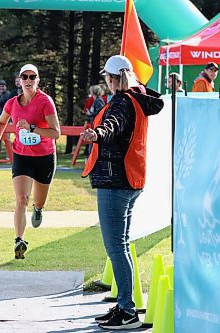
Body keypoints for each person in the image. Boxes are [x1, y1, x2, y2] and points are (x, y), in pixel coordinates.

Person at [81, 55, 163, 330]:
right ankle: (124, 305)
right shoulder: (136, 99)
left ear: (113, 78)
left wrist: (97, 134)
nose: (105, 80)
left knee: (116, 248)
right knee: (122, 246)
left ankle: (127, 311)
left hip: (116, 181)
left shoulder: (122, 101)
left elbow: (111, 126)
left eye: (107, 76)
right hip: (130, 179)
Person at [0, 64, 60, 259]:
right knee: (21, 198)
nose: (28, 80)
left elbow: (56, 133)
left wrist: (32, 128)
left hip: (44, 157)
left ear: (37, 80)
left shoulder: (45, 102)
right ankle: (19, 240)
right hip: (22, 156)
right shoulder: (12, 103)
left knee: (38, 201)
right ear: (19, 80)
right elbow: (0, 122)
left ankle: (39, 209)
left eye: (32, 77)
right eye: (24, 77)